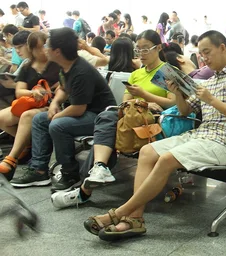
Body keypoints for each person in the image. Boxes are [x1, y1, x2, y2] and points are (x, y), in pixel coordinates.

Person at [82, 30, 226, 241]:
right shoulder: (208, 82)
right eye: (201, 53)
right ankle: (136, 219)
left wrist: (211, 100)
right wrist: (177, 93)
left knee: (166, 159)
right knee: (147, 151)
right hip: (201, 135)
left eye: (207, 52)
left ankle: (119, 213)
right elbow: (184, 111)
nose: (204, 58)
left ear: (222, 48)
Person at [51, 30, 177, 208]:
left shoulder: (168, 72)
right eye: (138, 49)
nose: (141, 54)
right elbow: (125, 102)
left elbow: (173, 103)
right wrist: (137, 100)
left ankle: (86, 186)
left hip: (155, 120)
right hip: (131, 116)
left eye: (145, 49)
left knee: (106, 121)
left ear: (157, 48)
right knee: (108, 122)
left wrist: (145, 97)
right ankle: (98, 170)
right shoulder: (137, 74)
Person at [11, 28, 116, 189]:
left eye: (47, 45)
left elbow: (78, 109)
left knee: (58, 125)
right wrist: (54, 103)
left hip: (99, 116)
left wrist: (58, 115)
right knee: (39, 119)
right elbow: (63, 88)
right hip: (83, 111)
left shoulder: (81, 71)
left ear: (57, 51)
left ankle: (69, 173)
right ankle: (39, 171)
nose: (45, 49)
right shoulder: (65, 66)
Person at [0, 32, 60, 180]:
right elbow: (19, 91)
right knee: (1, 118)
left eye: (45, 47)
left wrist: (52, 91)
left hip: (52, 104)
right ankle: (27, 145)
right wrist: (32, 93)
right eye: (38, 48)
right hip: (31, 102)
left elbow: (65, 87)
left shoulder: (57, 64)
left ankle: (11, 159)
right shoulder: (27, 66)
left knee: (27, 116)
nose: (43, 50)